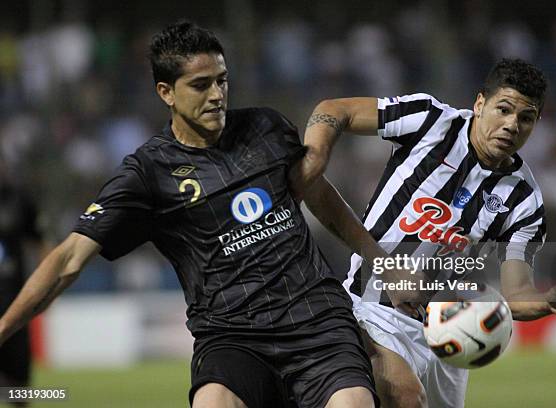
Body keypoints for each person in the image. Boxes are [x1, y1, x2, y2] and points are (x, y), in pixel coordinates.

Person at [0, 21, 392, 408]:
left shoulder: (266, 127)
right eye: (201, 85)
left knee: (353, 404)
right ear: (166, 92)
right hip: (232, 338)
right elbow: (68, 258)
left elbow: (320, 197)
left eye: (222, 80)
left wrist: (383, 264)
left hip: (316, 322)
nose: (217, 94)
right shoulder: (147, 172)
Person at [293, 58, 556, 408]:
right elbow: (335, 110)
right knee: (404, 395)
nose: (511, 125)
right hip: (373, 307)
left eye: (525, 118)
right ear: (480, 104)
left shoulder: (525, 201)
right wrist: (316, 156)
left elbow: (517, 291)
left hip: (451, 332)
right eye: (503, 110)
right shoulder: (430, 121)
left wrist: (547, 300)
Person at [0, 158, 46, 406]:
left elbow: (42, 245)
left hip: (14, 306)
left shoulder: (19, 200)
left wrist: (48, 288)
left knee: (19, 391)